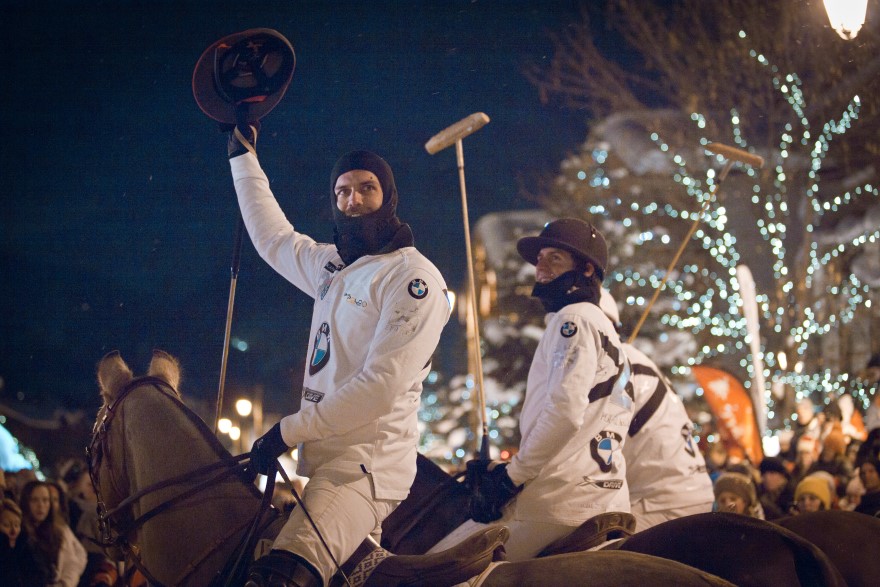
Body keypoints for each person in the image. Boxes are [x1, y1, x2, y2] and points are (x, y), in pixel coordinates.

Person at [227, 117, 450, 586]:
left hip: (364, 469)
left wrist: (287, 431)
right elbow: (272, 238)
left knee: (279, 576)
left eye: (367, 188)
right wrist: (242, 156)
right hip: (328, 464)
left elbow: (380, 387)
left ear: (389, 197)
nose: (353, 200)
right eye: (342, 191)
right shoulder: (332, 264)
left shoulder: (413, 278)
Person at [428, 218, 634, 560]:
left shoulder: (574, 320)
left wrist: (511, 478)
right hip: (607, 494)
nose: (541, 267)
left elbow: (565, 413)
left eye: (555, 258)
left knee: (435, 567)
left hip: (561, 499)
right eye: (539, 258)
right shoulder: (604, 329)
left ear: (586, 269)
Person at [598, 289, 714, 532]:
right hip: (686, 491)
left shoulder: (612, 364)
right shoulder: (631, 358)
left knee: (585, 550)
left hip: (661, 501)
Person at [19, 480, 87, 587]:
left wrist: (64, 583)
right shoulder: (20, 533)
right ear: (26, 502)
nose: (40, 505)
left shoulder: (59, 531)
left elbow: (73, 561)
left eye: (45, 500)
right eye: (34, 500)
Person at [1, 497, 51, 586]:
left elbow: (41, 575)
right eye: (6, 525)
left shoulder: (27, 546)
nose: (13, 530)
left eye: (16, 525)